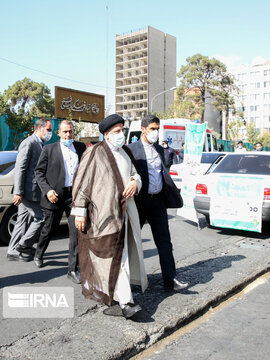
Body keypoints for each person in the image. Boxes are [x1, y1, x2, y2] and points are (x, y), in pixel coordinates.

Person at [71, 114, 148, 318]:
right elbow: (81, 184)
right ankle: (126, 302)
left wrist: (135, 183)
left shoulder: (125, 153)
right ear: (106, 135)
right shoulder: (94, 152)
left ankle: (123, 298)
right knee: (113, 256)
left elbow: (135, 174)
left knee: (120, 255)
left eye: (122, 130)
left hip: (124, 214)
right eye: (116, 132)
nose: (121, 135)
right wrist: (79, 212)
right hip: (103, 214)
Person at [128, 114, 188, 293]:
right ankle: (131, 281)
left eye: (157, 128)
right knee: (131, 242)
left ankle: (170, 280)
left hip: (158, 202)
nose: (156, 132)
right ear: (144, 129)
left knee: (164, 242)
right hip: (139, 203)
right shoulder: (131, 150)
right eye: (153, 129)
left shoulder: (160, 150)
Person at [34, 120, 86, 284]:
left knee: (76, 233)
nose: (68, 135)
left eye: (70, 131)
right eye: (64, 132)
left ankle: (72, 269)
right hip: (55, 196)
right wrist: (48, 190)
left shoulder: (80, 147)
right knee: (48, 229)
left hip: (74, 196)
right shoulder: (49, 149)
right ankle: (39, 253)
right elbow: (39, 172)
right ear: (58, 133)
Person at [7, 118, 53, 262]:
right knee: (41, 217)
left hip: (32, 190)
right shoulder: (29, 143)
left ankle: (12, 251)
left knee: (22, 221)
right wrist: (18, 192)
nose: (50, 133)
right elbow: (20, 168)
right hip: (27, 191)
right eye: (48, 130)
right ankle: (23, 245)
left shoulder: (41, 144)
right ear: (39, 128)